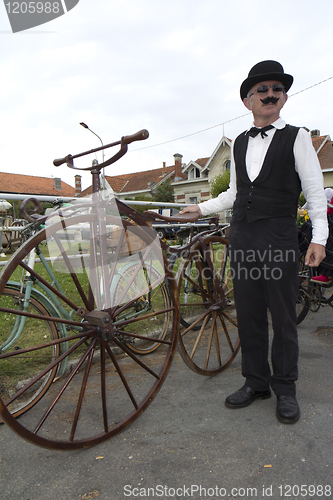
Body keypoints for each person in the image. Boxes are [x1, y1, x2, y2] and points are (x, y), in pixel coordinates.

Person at [180, 60, 328, 423]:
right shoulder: (240, 143)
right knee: (247, 313)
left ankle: (286, 388)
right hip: (243, 235)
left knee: (282, 315)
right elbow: (233, 192)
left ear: (285, 98)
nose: (270, 94)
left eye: (276, 89)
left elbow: (314, 192)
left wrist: (319, 238)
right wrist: (199, 209)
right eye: (262, 90)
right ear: (248, 101)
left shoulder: (297, 136)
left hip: (278, 234)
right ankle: (256, 382)